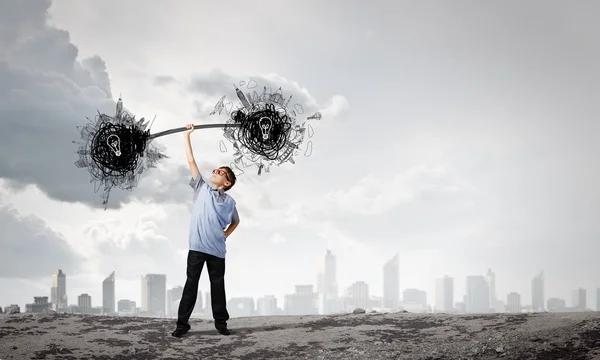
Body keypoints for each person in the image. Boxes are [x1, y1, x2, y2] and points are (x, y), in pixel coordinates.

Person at [171, 123, 240, 338]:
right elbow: (191, 160)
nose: (215, 172)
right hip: (197, 247)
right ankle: (182, 325)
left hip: (217, 251)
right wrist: (186, 136)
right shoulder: (201, 187)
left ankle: (221, 323)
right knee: (191, 285)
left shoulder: (230, 201)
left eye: (220, 172)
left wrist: (224, 236)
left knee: (217, 286)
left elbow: (236, 222)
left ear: (226, 182)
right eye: (215, 170)